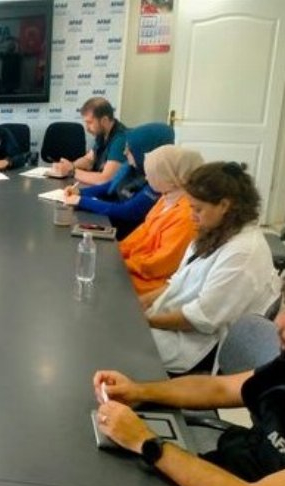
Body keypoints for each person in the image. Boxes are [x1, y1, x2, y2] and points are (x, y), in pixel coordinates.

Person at [92, 295, 285, 486]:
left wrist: (145, 442)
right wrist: (138, 391)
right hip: (224, 475)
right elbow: (220, 389)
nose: (279, 325)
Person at [142, 162, 280, 374]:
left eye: (198, 209)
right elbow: (177, 281)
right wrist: (142, 302)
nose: (192, 215)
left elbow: (201, 318)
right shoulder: (214, 230)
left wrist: (146, 321)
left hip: (200, 347)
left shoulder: (242, 253)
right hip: (182, 328)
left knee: (121, 341)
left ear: (224, 205)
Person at [63, 123, 174, 239]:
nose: (124, 152)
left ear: (144, 151)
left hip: (126, 235)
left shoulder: (157, 182)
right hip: (111, 221)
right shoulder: (133, 168)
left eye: (130, 149)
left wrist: (81, 201)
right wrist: (80, 192)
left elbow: (127, 211)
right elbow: (112, 186)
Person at [118, 145, 203, 295]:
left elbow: (161, 264)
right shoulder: (166, 198)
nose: (146, 178)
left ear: (170, 176)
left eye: (152, 173)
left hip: (151, 283)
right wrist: (117, 251)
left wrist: (121, 264)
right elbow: (142, 233)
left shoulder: (187, 215)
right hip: (137, 268)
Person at [51, 97, 127, 185]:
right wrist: (70, 165)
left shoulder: (120, 139)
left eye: (90, 122)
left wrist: (72, 171)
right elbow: (89, 160)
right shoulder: (103, 133)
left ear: (104, 121)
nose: (87, 128)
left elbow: (105, 179)